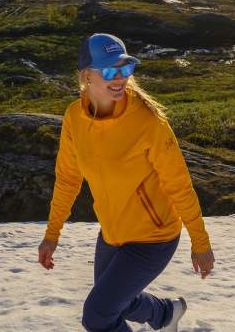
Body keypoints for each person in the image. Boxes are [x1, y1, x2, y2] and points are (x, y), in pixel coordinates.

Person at [38, 33, 215, 332]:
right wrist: (52, 234)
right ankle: (166, 314)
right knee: (116, 301)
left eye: (125, 69)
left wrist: (201, 243)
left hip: (154, 237)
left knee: (97, 314)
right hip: (112, 232)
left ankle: (163, 315)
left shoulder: (148, 122)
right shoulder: (74, 118)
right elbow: (68, 179)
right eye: (110, 71)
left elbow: (179, 184)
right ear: (86, 76)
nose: (119, 78)